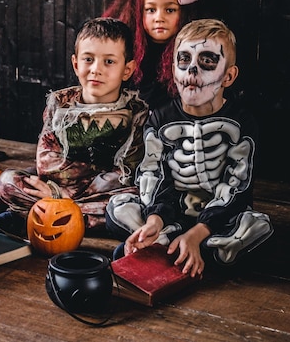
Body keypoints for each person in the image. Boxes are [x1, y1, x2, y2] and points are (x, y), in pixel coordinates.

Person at [105, 19, 273, 277]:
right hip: (170, 212)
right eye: (184, 59)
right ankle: (171, 241)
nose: (192, 69)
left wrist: (198, 233)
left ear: (228, 76)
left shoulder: (242, 122)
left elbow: (238, 187)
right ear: (174, 70)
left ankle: (178, 246)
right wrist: (154, 220)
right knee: (117, 208)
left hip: (220, 219)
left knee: (258, 227)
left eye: (207, 61)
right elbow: (153, 174)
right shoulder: (160, 117)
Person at [0, 17, 149, 236]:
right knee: (7, 181)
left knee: (137, 200)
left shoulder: (136, 112)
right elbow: (46, 161)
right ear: (76, 64)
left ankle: (39, 216)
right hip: (54, 188)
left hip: (103, 196)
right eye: (88, 59)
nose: (96, 69)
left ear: (127, 69)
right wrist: (56, 192)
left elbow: (126, 171)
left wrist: (64, 199)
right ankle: (79, 220)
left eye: (109, 62)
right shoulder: (60, 104)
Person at [103, 0, 199, 109]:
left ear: (184, 12)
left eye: (170, 10)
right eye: (150, 10)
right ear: (137, 11)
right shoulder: (127, 49)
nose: (159, 17)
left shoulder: (192, 53)